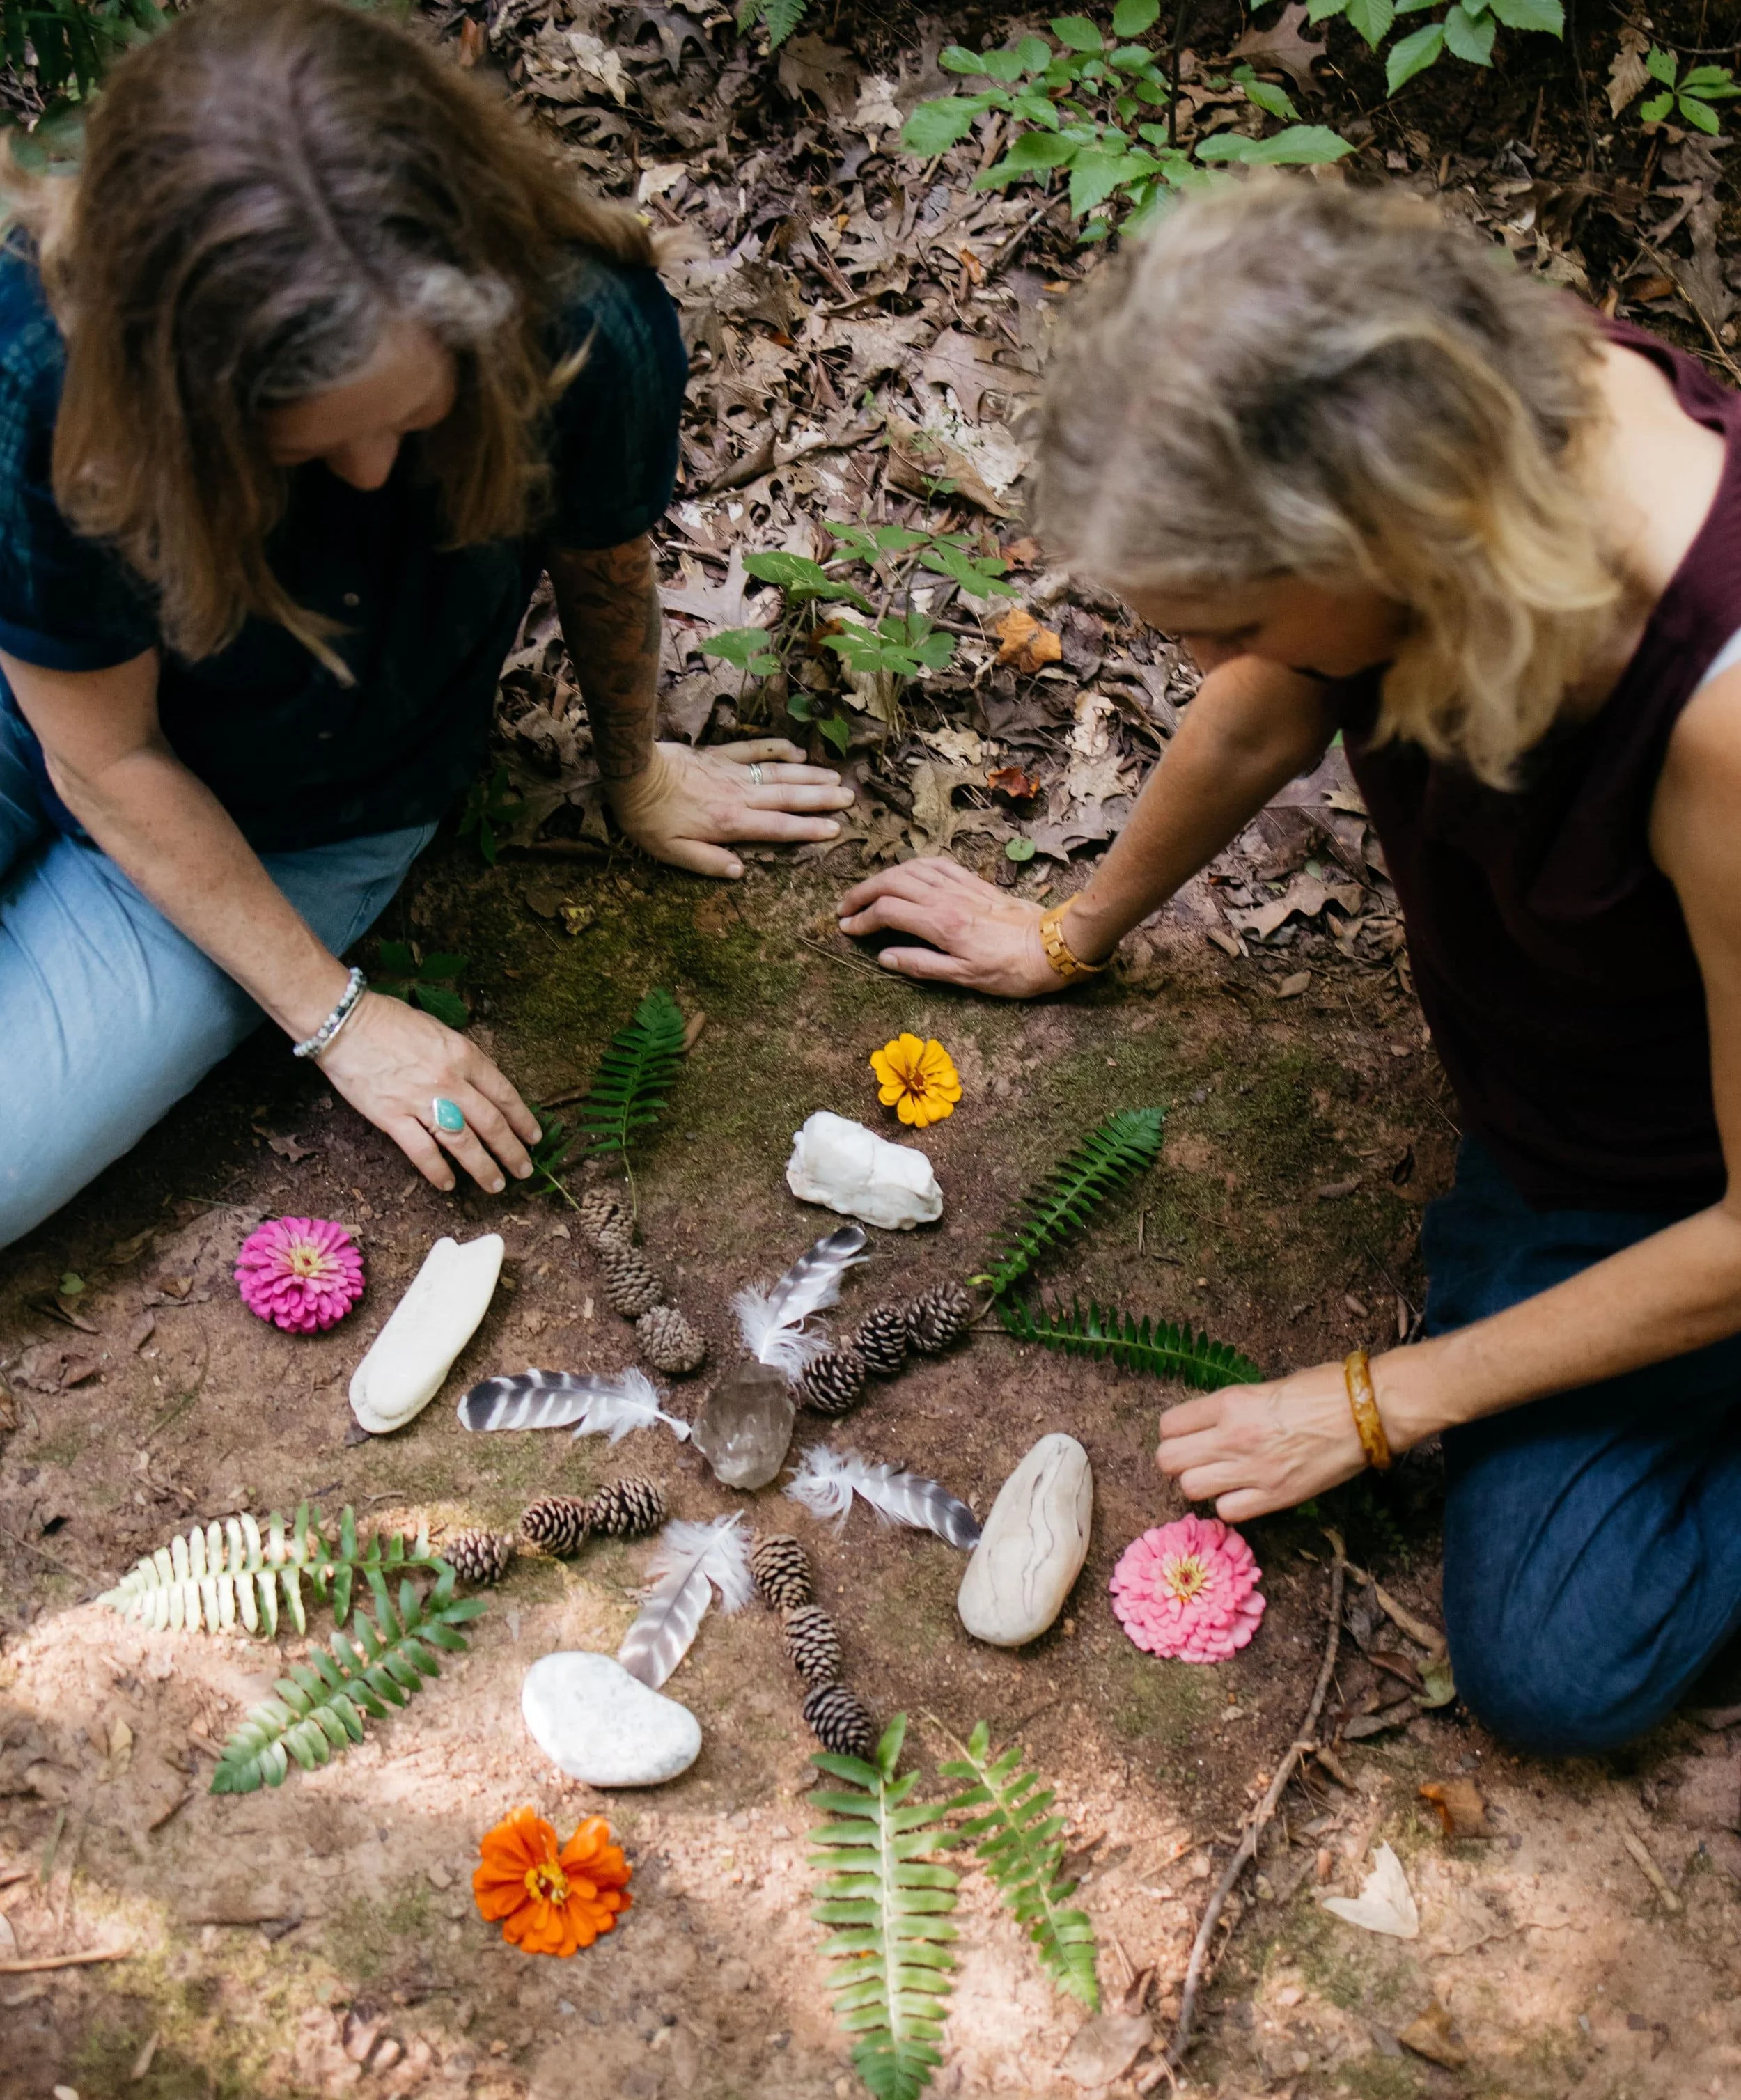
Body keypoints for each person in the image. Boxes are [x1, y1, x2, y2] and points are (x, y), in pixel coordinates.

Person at [839, 177, 1741, 1756]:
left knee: (1551, 1658)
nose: (1199, 661)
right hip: (1570, 1104)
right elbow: (1273, 698)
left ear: (1394, 537)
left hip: (1682, 1188)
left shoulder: (1720, 725)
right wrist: (1069, 927)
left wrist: (1382, 1395)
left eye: (1231, 612)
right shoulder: (1444, 408)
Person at [0, 0, 852, 1248]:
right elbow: (104, 754)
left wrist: (638, 771)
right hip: (59, 717)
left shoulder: (580, 321)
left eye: (408, 416)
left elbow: (601, 561)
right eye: (296, 442)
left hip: (298, 819)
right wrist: (342, 1023)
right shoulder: (47, 369)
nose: (364, 476)